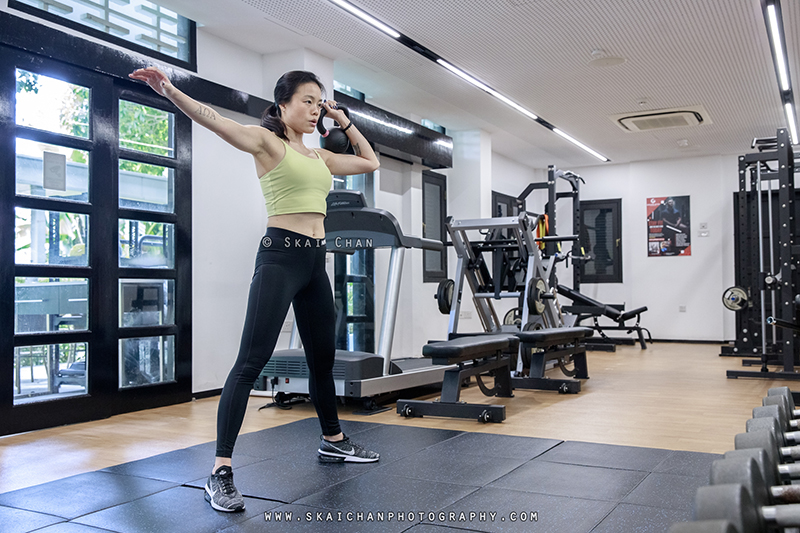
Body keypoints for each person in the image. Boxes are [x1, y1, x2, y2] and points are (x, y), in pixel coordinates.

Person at [129, 66, 381, 513]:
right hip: (280, 258)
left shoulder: (320, 157)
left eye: (319, 102)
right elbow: (214, 120)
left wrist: (343, 119)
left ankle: (333, 440)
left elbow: (369, 161)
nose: (314, 108)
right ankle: (220, 471)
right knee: (250, 362)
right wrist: (169, 90)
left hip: (314, 263)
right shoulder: (268, 144)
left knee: (322, 362)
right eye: (307, 100)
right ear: (282, 104)